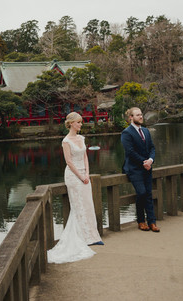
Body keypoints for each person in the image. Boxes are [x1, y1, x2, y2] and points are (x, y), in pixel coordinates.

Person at [47, 112, 103, 264]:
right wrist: (80, 176)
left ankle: (93, 236)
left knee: (88, 204)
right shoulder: (66, 141)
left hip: (84, 173)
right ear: (71, 123)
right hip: (73, 175)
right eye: (78, 122)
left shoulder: (81, 138)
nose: (80, 125)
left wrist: (87, 173)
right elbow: (69, 162)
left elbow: (85, 156)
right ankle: (82, 237)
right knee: (78, 205)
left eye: (81, 122)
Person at [121, 107, 160, 232]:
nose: (141, 116)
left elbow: (152, 148)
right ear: (131, 117)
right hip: (134, 168)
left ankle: (152, 222)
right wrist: (144, 162)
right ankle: (141, 221)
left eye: (141, 114)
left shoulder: (146, 131)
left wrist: (150, 160)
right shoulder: (126, 133)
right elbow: (130, 151)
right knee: (141, 192)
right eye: (138, 115)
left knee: (148, 194)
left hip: (147, 167)